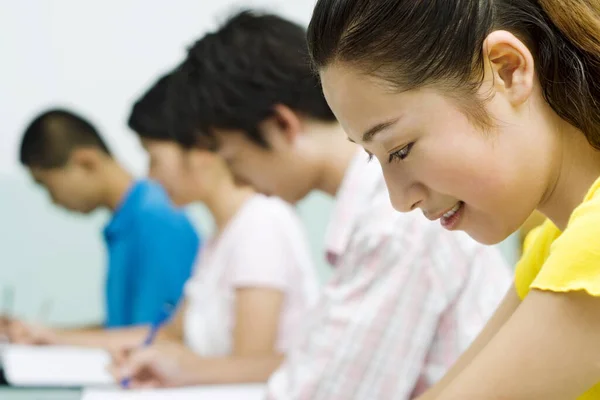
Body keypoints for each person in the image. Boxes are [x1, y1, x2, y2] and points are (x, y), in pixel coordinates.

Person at [129, 12, 510, 399]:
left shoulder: (394, 224)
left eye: (233, 161)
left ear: (282, 125)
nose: (239, 182)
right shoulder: (377, 216)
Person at [307, 0, 600, 398]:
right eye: (373, 158)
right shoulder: (552, 246)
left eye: (400, 150)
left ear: (507, 69)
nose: (399, 201)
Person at [109, 73, 320, 387]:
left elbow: (247, 371)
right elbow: (164, 335)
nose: (150, 178)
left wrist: (183, 367)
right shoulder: (219, 235)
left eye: (155, 160)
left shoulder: (261, 223)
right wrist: (53, 339)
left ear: (200, 151)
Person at [9, 108, 199, 346]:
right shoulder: (127, 222)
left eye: (47, 185)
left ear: (85, 162)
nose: (53, 200)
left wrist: (57, 338)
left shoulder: (158, 218)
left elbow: (161, 336)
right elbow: (122, 329)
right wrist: (44, 335)